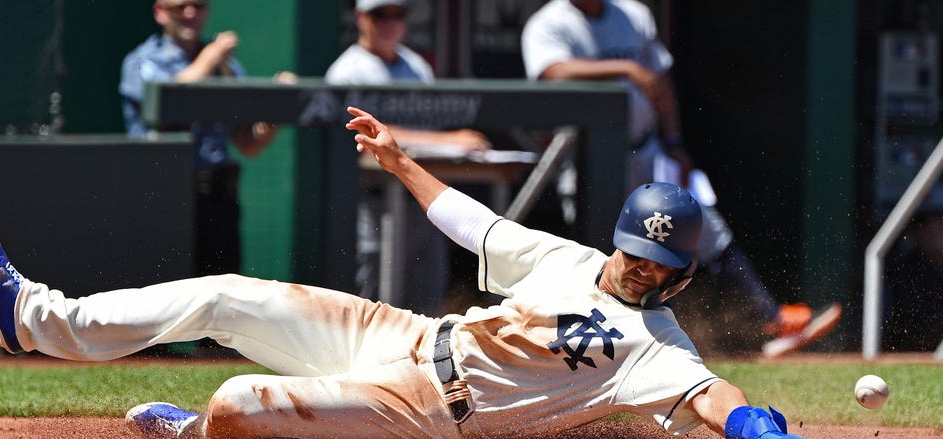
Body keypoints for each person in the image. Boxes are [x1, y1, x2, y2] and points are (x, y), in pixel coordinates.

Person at [0, 107, 835, 439]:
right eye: (630, 252)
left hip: (424, 410)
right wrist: (401, 161)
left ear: (682, 278)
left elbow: (714, 394)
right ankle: (39, 318)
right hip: (404, 333)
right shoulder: (571, 259)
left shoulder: (655, 347)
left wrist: (763, 434)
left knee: (237, 399)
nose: (633, 268)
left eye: (654, 265)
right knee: (231, 295)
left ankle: (199, 430)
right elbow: (472, 224)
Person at [520, 0, 841, 358]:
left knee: (705, 228)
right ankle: (582, 344)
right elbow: (551, 71)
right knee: (600, 252)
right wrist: (626, 67)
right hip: (590, 158)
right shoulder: (549, 23)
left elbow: (660, 83)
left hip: (647, 149)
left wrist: (673, 142)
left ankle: (772, 320)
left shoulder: (632, 14)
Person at [325, 0, 491, 314]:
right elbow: (367, 134)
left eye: (397, 15)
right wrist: (450, 140)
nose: (390, 22)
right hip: (374, 202)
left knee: (425, 303)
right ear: (361, 18)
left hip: (420, 199)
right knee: (373, 302)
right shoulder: (348, 70)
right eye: (380, 15)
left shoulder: (415, 65)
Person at [119, 0, 284, 276]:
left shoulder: (224, 64)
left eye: (198, 6)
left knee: (222, 299)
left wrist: (278, 109)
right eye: (179, 7)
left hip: (218, 198)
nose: (190, 14)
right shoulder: (142, 62)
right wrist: (211, 58)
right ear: (159, 12)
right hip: (164, 196)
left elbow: (247, 143)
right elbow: (167, 104)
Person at [883, 209, 943, 352]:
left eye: (941, 219)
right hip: (910, 356)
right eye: (923, 222)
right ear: (914, 230)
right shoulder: (899, 273)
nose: (933, 228)